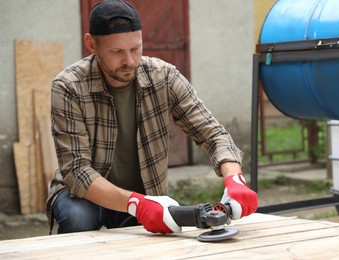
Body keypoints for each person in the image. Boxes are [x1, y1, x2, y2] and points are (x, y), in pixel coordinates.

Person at [46, 0, 258, 235]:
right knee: (77, 219)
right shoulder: (68, 86)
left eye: (136, 48)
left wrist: (235, 179)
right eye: (117, 51)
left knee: (156, 241)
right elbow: (76, 171)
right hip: (84, 195)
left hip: (145, 194)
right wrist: (137, 204)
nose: (129, 61)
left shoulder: (164, 77)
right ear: (91, 44)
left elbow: (214, 134)